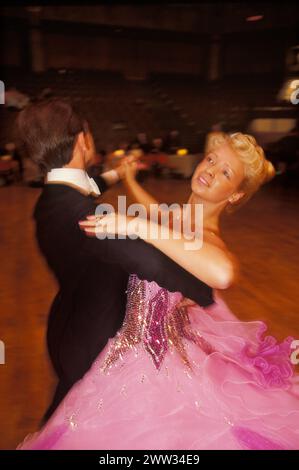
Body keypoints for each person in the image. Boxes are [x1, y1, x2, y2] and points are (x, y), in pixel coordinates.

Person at [18, 132, 299, 450]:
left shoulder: (206, 235)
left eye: (225, 173)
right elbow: (152, 210)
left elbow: (223, 273)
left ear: (235, 195)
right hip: (121, 353)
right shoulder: (180, 217)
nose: (209, 171)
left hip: (155, 369)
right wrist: (128, 179)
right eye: (211, 160)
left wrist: (135, 225)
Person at [16, 99, 215, 424]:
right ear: (83, 140)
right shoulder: (88, 217)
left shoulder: (51, 199)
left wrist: (118, 174)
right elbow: (152, 263)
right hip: (96, 343)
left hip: (67, 324)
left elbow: (86, 187)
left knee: (64, 422)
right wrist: (203, 292)